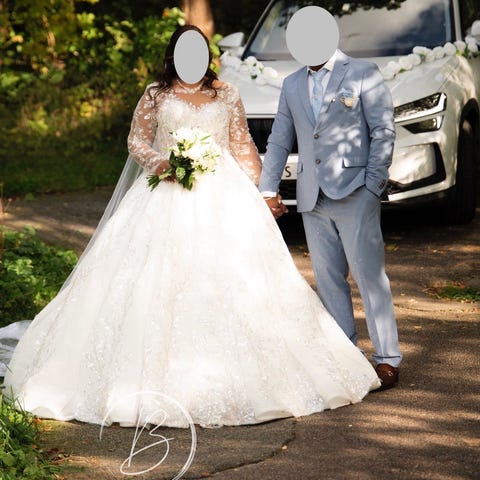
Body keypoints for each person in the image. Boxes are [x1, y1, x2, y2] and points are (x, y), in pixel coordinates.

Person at [3, 25, 380, 428]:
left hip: (224, 193)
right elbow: (137, 141)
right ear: (173, 56)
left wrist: (265, 190)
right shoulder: (156, 93)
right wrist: (161, 162)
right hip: (165, 193)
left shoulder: (227, 93)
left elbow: (241, 145)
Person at [259, 7, 402, 390]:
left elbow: (383, 130)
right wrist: (267, 188)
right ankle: (346, 359)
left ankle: (387, 359)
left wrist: (373, 185)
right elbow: (279, 140)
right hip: (312, 197)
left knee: (370, 277)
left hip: (356, 191)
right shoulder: (292, 84)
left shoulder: (363, 73)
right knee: (328, 281)